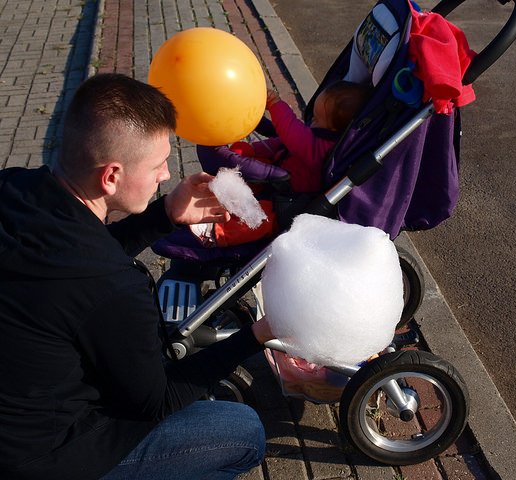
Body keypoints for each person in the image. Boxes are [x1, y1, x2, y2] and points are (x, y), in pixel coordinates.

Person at [0, 73, 274, 480]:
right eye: (157, 164)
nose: (166, 174)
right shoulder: (113, 288)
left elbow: (79, 254)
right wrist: (254, 337)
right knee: (242, 432)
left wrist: (165, 214)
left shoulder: (15, 188)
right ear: (111, 176)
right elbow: (157, 401)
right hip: (41, 458)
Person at [192, 80, 373, 247]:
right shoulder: (318, 135)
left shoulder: (322, 148)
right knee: (244, 158)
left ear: (334, 129)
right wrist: (253, 150)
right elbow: (281, 144)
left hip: (290, 199)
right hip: (279, 174)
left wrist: (276, 104)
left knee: (261, 218)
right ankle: (223, 196)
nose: (312, 123)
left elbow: (292, 135)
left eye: (317, 120)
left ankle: (215, 233)